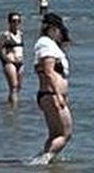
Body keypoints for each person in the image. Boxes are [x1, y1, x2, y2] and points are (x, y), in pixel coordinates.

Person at [31, 12, 73, 165]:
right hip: (51, 94)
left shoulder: (48, 44)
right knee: (66, 134)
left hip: (50, 94)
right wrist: (58, 95)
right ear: (53, 29)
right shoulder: (46, 44)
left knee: (55, 134)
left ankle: (45, 165)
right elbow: (48, 71)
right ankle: (41, 160)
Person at [0, 12, 25, 106]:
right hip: (10, 63)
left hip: (20, 62)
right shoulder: (5, 35)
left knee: (18, 87)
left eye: (18, 21)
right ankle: (14, 108)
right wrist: (6, 59)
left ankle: (9, 105)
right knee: (14, 86)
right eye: (14, 21)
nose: (16, 23)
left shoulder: (21, 34)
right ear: (9, 22)